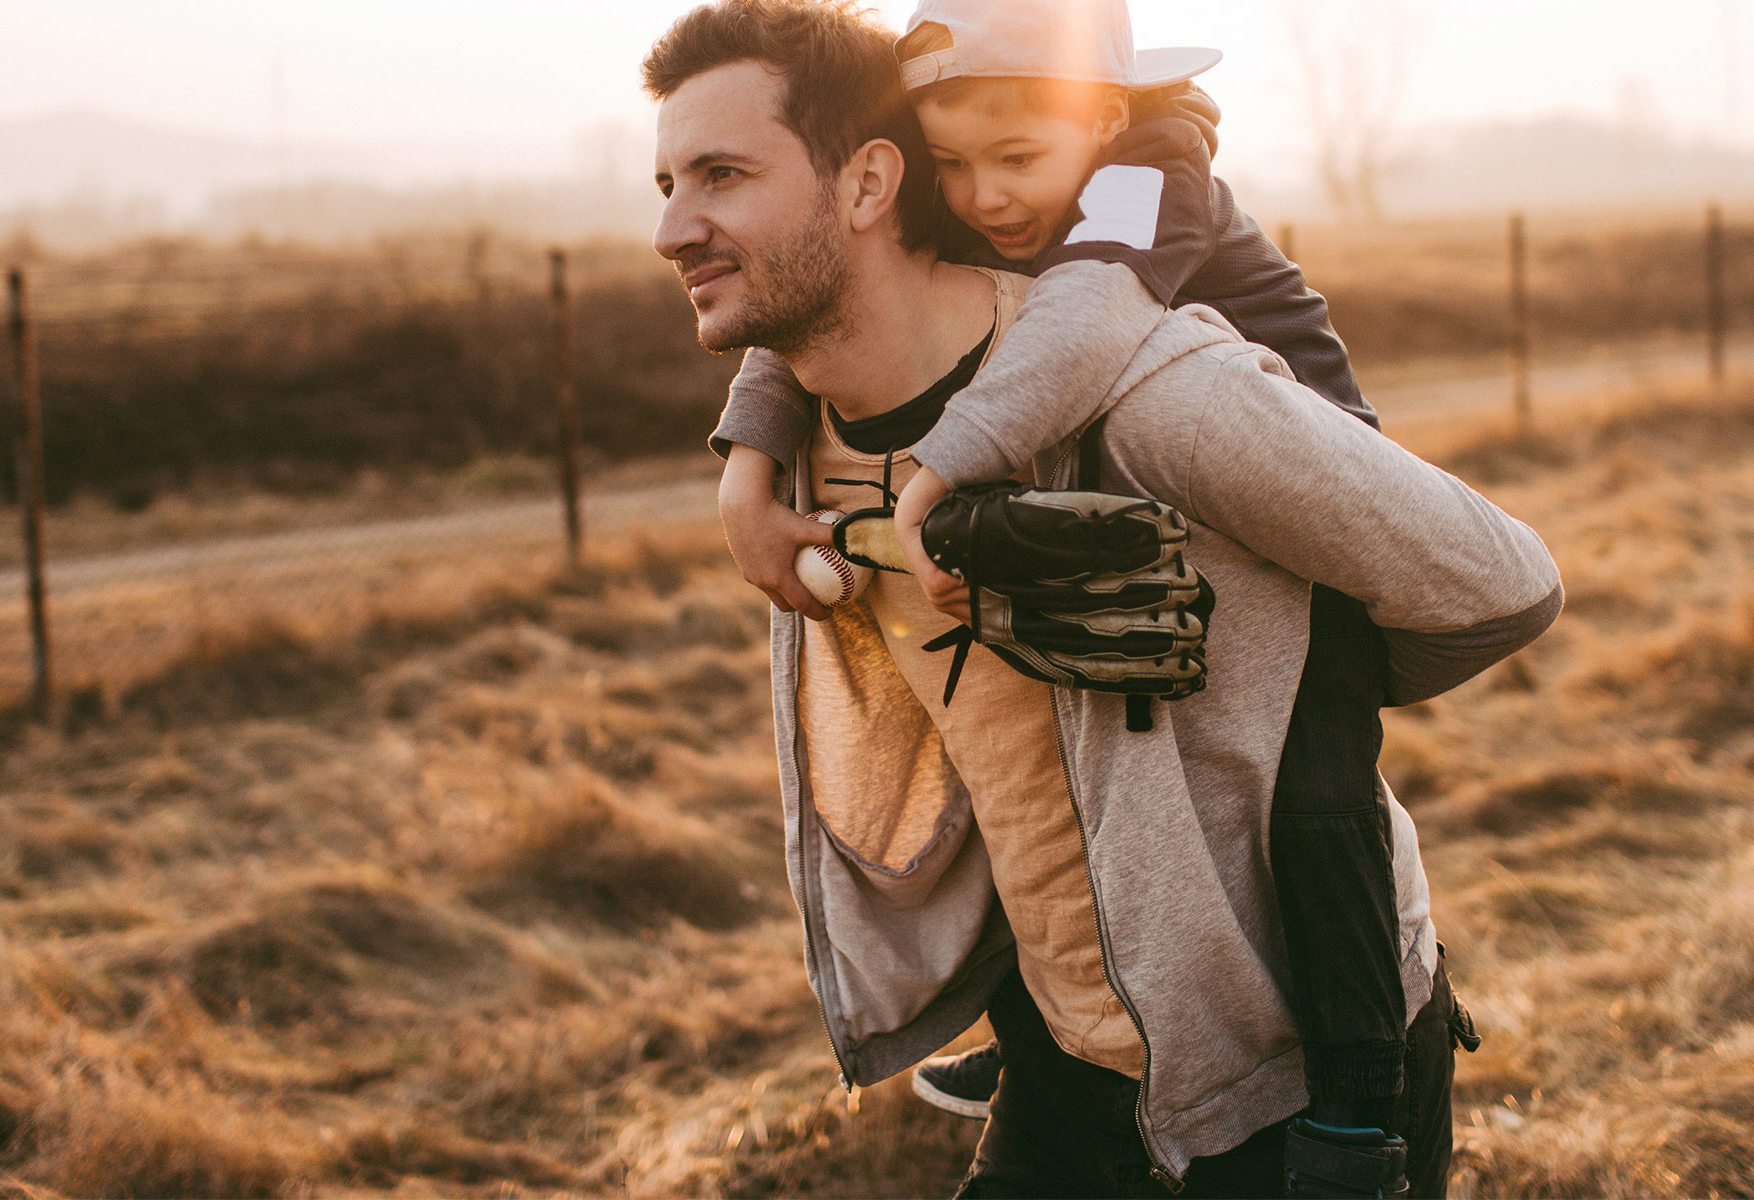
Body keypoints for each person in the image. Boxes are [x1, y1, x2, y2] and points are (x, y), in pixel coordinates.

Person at [645, 2, 1563, 1195]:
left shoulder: (1153, 378)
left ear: (870, 181)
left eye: (721, 173)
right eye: (664, 179)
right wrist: (747, 455)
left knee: (1321, 788)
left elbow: (1502, 582)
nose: (670, 226)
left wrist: (1283, 680)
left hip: (1274, 1090)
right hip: (1066, 1062)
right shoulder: (802, 451)